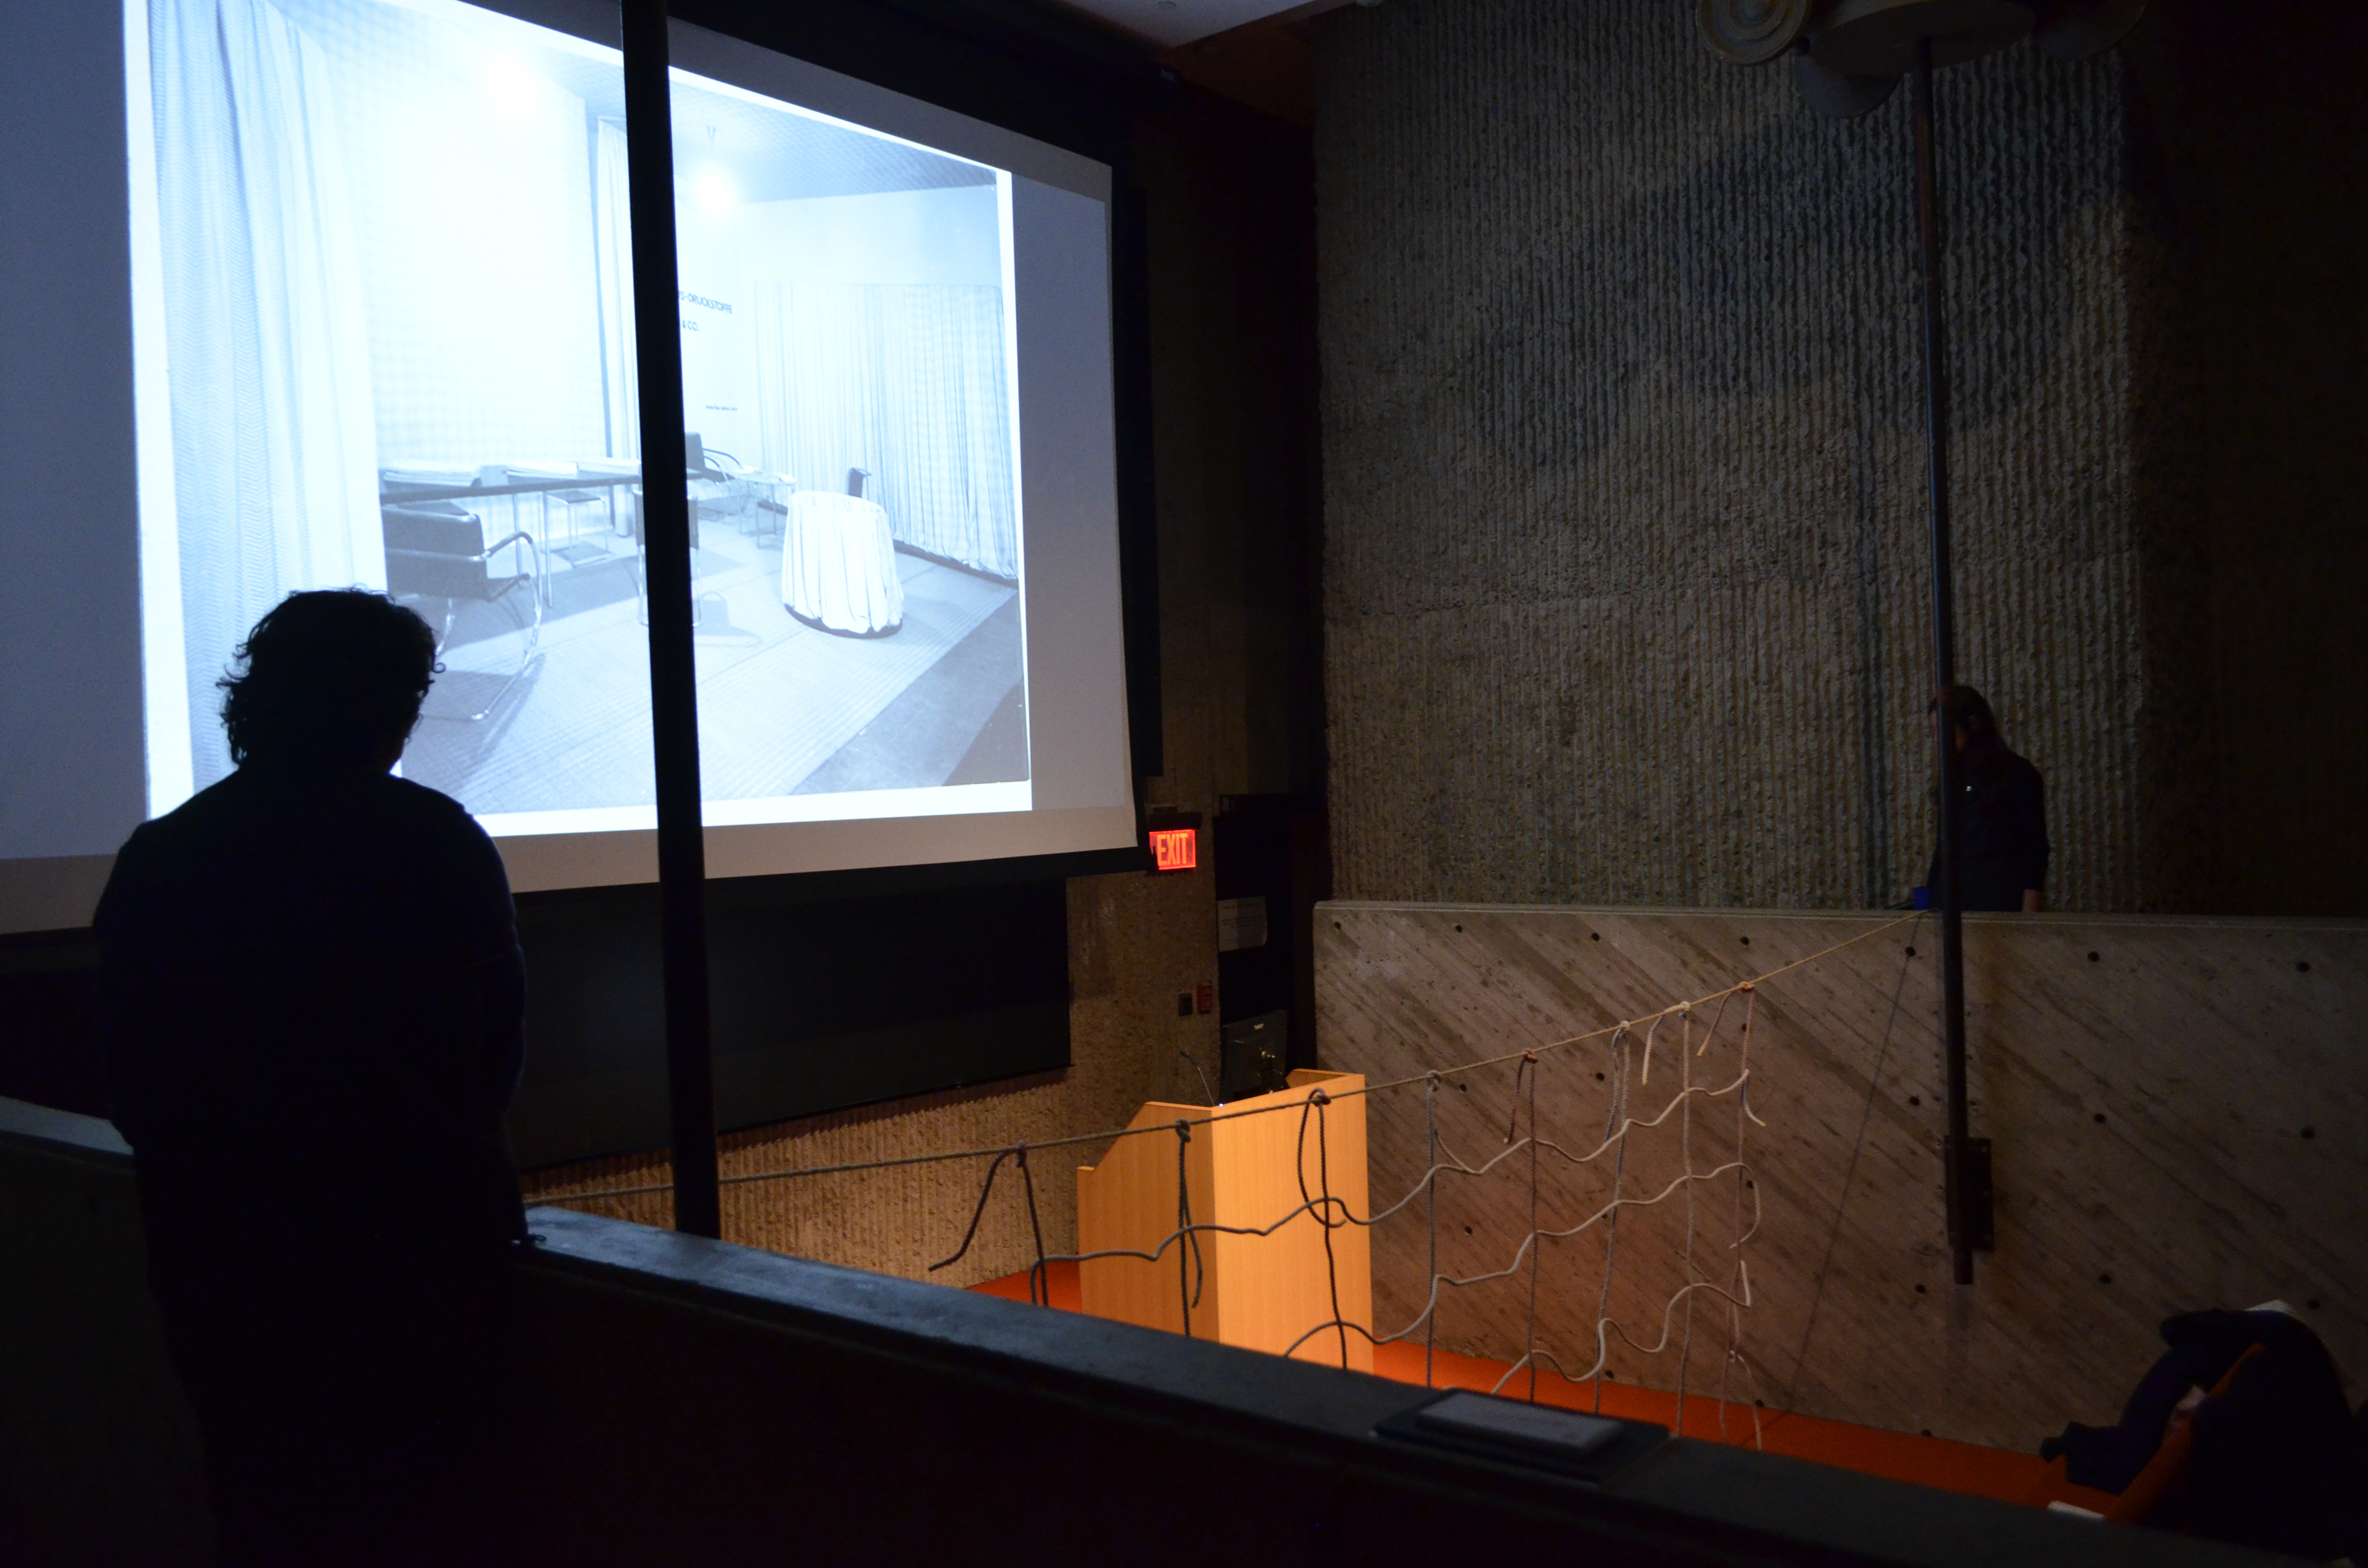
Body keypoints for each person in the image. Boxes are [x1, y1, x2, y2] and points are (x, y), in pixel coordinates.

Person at [95, 589, 528, 1567]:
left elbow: (137, 1083)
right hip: (420, 1266)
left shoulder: (165, 858)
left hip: (227, 1269)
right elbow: (488, 1062)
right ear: (386, 706)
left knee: (265, 1513)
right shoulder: (438, 844)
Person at [1925, 685, 2049, 913]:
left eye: (1944, 729)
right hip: (1951, 902)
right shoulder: (1953, 777)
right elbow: (1944, 849)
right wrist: (1923, 907)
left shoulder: (2016, 774)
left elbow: (2035, 848)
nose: (1937, 739)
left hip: (1997, 902)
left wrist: (2029, 916)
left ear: (1972, 725)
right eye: (1934, 730)